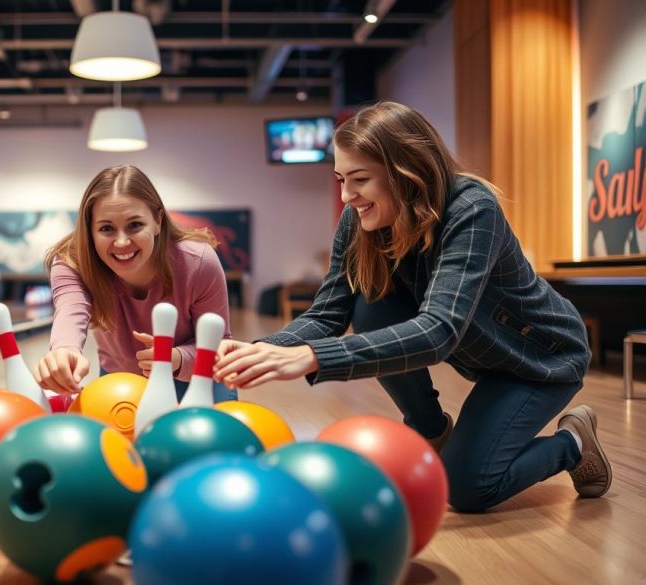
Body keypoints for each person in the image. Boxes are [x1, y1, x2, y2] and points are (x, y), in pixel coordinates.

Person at [213, 101, 610, 513]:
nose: (347, 196)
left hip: (540, 358)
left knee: (467, 491)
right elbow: (327, 313)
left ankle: (575, 443)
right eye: (340, 180)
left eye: (359, 180)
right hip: (480, 353)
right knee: (370, 305)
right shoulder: (358, 222)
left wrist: (313, 357)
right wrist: (261, 349)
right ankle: (430, 430)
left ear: (406, 172)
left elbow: (438, 331)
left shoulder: (471, 208)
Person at [37, 164, 237, 404]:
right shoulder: (72, 262)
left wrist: (177, 358)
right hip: (121, 380)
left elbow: (221, 346)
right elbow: (71, 310)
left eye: (134, 225)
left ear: (157, 221)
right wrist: (64, 351)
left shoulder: (198, 262)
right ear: (90, 231)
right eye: (106, 228)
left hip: (200, 376)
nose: (122, 242)